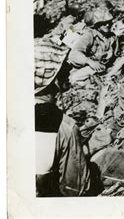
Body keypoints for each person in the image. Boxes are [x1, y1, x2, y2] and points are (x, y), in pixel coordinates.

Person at [35, 39, 100, 196]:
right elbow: (75, 188)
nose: (69, 72)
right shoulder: (65, 126)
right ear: (53, 78)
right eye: (63, 69)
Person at [68, 6, 119, 85]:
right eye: (103, 23)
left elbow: (116, 54)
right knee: (75, 78)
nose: (107, 25)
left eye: (109, 22)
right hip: (89, 67)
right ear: (96, 25)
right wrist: (89, 61)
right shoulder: (89, 35)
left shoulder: (112, 37)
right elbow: (74, 54)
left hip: (105, 67)